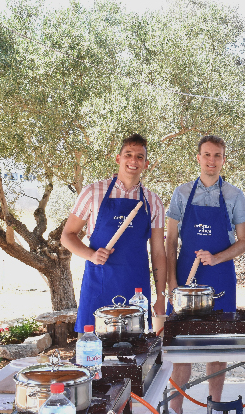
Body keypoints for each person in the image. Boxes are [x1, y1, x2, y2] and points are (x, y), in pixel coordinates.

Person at [165, 135, 245, 414]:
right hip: (185, 279)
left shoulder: (234, 195)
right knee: (181, 348)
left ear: (224, 160)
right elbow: (170, 241)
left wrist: (216, 258)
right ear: (198, 157)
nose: (211, 160)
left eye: (217, 155)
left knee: (218, 345)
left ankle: (214, 406)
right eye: (207, 155)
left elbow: (244, 242)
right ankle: (175, 409)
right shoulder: (181, 193)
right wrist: (172, 283)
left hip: (220, 277)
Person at [61, 133, 166, 333]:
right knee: (92, 348)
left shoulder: (153, 202)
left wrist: (161, 297)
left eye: (140, 157)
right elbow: (67, 235)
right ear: (118, 158)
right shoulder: (93, 193)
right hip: (98, 285)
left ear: (146, 164)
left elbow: (159, 253)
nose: (133, 161)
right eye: (128, 155)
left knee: (136, 349)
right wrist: (91, 255)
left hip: (136, 292)